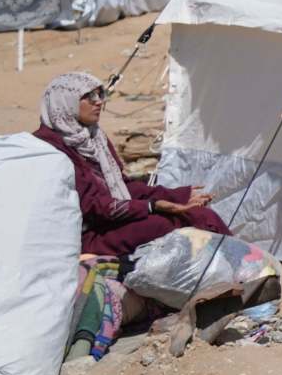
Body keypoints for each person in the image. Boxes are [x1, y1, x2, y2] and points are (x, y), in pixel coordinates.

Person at [34, 71, 230, 261]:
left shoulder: (94, 138)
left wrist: (176, 196)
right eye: (89, 96)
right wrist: (151, 206)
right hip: (86, 235)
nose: (99, 102)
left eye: (100, 94)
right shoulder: (52, 148)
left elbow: (122, 185)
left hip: (112, 221)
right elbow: (89, 207)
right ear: (65, 103)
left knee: (200, 215)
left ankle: (239, 265)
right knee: (163, 224)